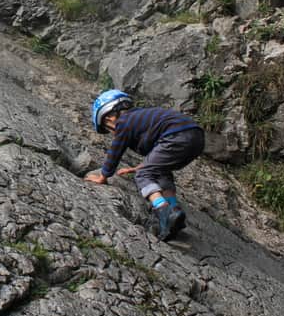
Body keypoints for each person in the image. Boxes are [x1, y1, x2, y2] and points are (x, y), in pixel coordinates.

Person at [83, 89, 204, 241]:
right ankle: (175, 210)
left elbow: (115, 151)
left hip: (175, 136)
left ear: (109, 117)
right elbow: (157, 156)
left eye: (107, 128)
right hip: (196, 137)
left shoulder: (124, 122)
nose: (112, 132)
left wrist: (103, 176)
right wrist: (138, 167)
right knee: (161, 172)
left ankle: (164, 211)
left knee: (143, 174)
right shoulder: (143, 118)